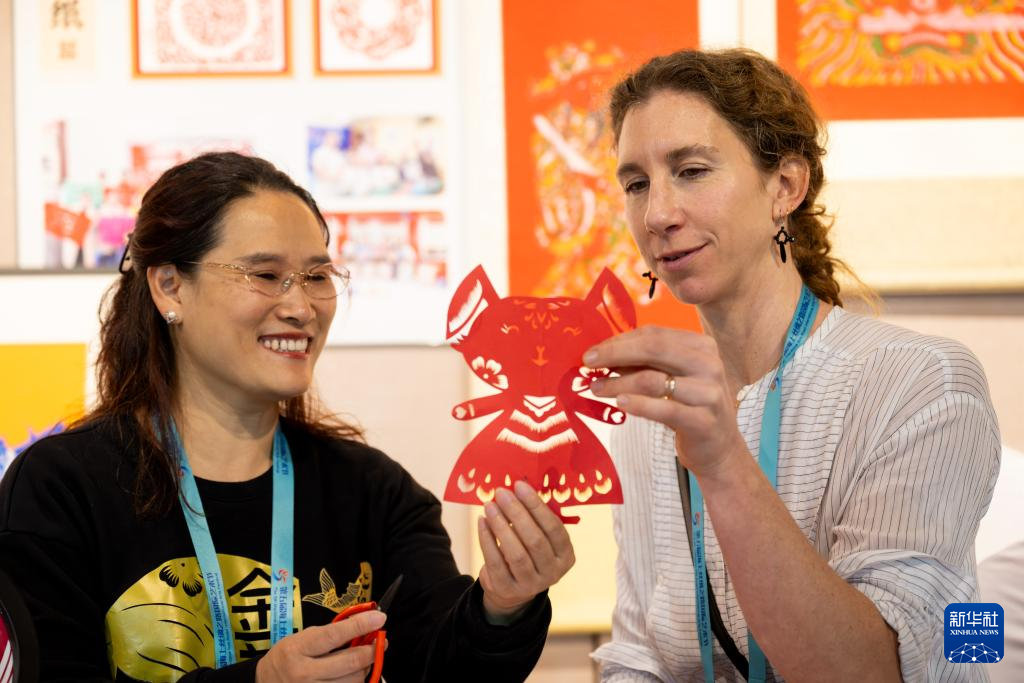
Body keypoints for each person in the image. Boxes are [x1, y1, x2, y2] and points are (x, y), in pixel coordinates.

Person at [0, 151, 575, 682]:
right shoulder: (60, 489)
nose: (301, 307)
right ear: (170, 287)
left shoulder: (373, 492)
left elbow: (440, 668)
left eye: (317, 277)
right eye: (266, 275)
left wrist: (502, 605)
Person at [584, 49, 1000, 682]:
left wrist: (723, 464)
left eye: (692, 171)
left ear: (785, 186)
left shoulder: (922, 384)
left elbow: (877, 671)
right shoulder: (653, 412)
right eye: (636, 184)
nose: (657, 214)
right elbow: (640, 655)